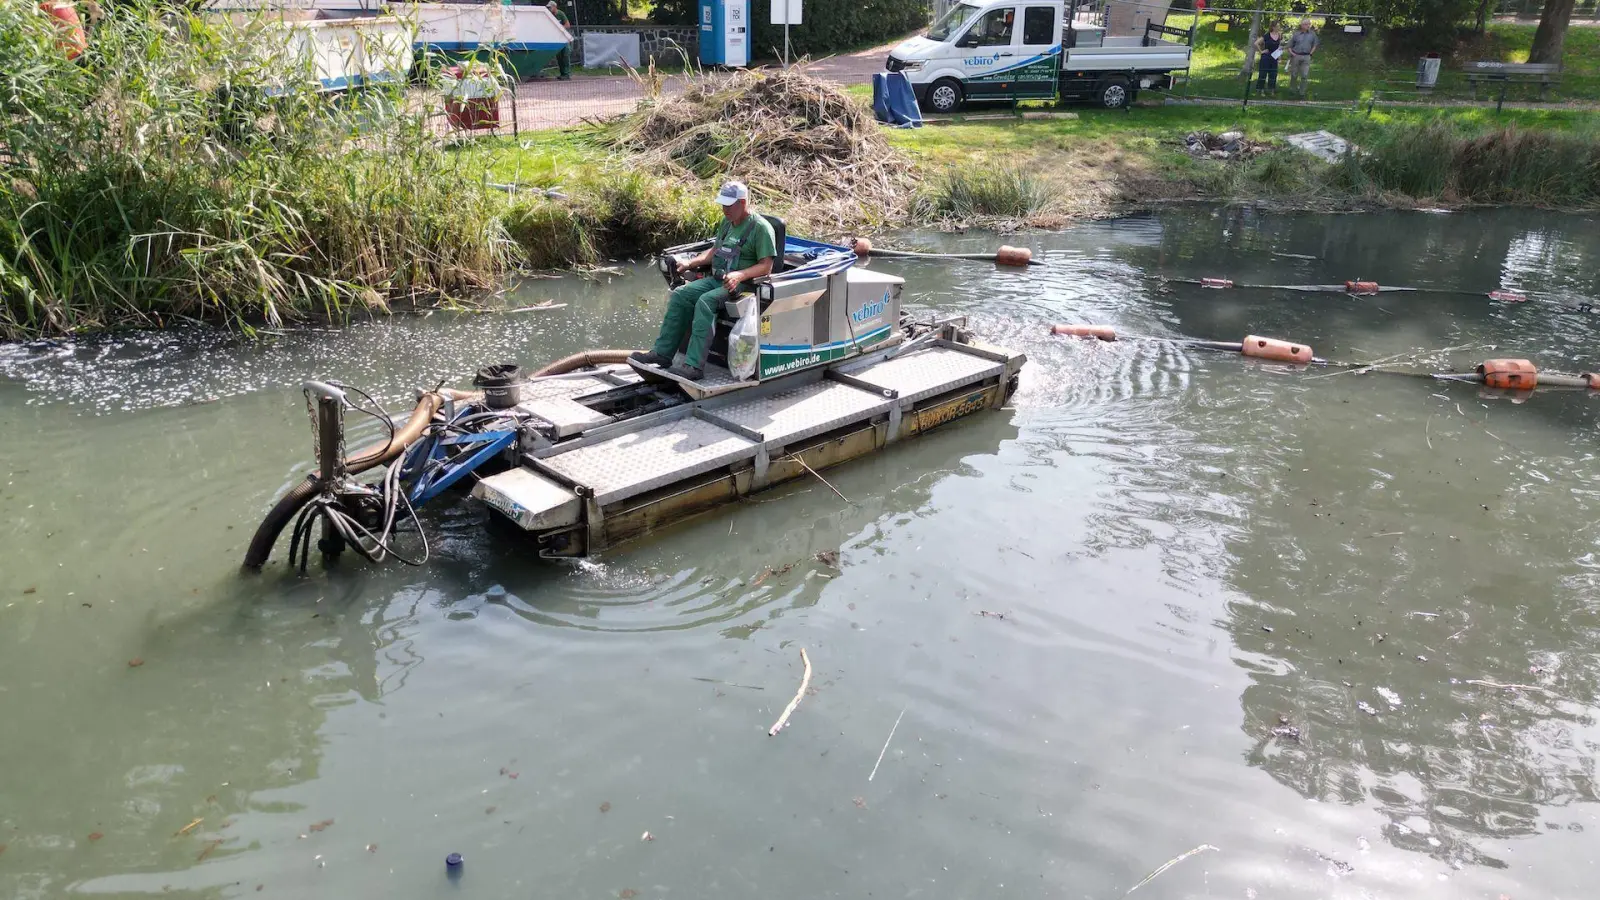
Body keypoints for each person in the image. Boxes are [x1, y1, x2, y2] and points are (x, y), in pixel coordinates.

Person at [631, 181, 777, 381]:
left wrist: (740, 275)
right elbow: (714, 251)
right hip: (717, 279)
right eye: (723, 205)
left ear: (742, 203)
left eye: (729, 205)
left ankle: (693, 366)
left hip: (743, 285)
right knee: (681, 295)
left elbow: (766, 266)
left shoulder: (761, 228)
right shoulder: (727, 223)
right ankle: (663, 353)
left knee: (706, 302)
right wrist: (690, 263)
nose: (724, 209)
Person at [1286, 17, 1319, 96]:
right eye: (1306, 24)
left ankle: (1302, 92)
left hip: (1306, 56)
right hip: (1296, 56)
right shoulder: (1296, 34)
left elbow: (1315, 44)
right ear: (1302, 25)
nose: (1308, 26)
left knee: (1304, 75)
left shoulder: (1312, 34)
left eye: (1309, 24)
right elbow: (1289, 45)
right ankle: (1293, 90)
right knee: (1294, 74)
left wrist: (1310, 53)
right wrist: (1292, 53)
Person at [546, 1, 572, 81]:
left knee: (565, 55)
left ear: (554, 7)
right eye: (548, 7)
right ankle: (562, 74)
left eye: (550, 7)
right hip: (556, 39)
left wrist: (560, 28)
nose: (549, 9)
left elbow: (567, 25)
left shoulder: (561, 14)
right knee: (559, 56)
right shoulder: (549, 15)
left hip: (564, 38)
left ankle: (567, 74)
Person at [1255, 23, 1282, 94]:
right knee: (1263, 73)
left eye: (1279, 27)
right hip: (1266, 56)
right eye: (1277, 26)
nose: (1279, 28)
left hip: (1274, 56)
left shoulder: (1279, 35)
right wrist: (1261, 51)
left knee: (1273, 73)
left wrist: (1279, 57)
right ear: (1273, 27)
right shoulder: (1267, 35)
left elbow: (1279, 47)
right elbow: (1256, 43)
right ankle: (1260, 89)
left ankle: (1271, 90)